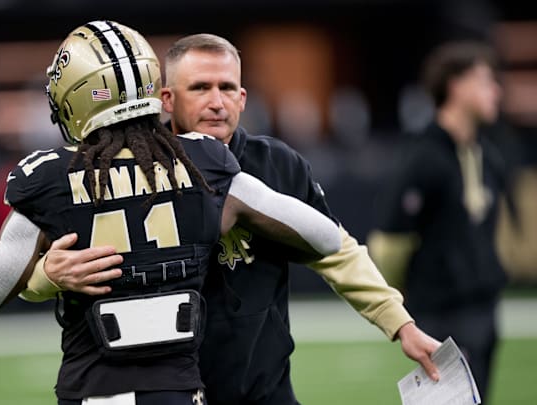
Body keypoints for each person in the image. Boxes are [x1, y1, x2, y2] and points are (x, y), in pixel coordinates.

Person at [0, 21, 345, 405]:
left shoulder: (48, 179)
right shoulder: (207, 162)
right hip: (179, 393)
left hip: (93, 391)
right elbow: (325, 237)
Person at [27, 33, 442, 404]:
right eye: (200, 88)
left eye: (227, 88)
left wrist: (400, 323)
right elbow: (20, 273)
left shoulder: (276, 164)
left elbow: (335, 251)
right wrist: (48, 274)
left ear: (243, 98)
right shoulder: (126, 169)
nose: (216, 101)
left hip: (266, 388)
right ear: (166, 100)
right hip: (173, 390)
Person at [367, 40, 508, 403]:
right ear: (457, 85)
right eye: (485, 81)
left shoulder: (486, 155)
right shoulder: (422, 156)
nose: (496, 91)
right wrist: (405, 306)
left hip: (483, 309)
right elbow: (388, 242)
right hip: (441, 313)